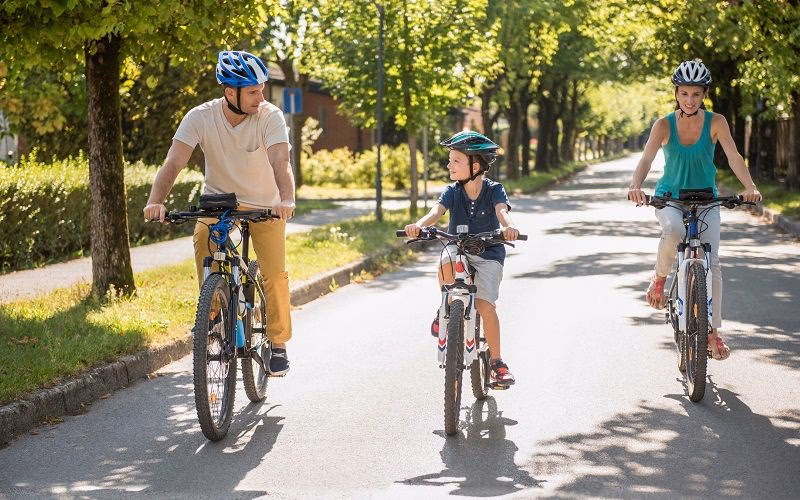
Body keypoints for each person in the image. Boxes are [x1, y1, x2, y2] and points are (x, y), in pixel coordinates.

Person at [143, 50, 296, 375]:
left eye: (261, 90)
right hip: (219, 203)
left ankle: (278, 343)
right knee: (203, 238)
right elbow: (174, 162)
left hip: (266, 205)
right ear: (230, 92)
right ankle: (212, 315)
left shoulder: (270, 116)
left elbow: (280, 161)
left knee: (274, 273)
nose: (261, 97)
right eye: (253, 92)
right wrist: (155, 201)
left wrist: (286, 199)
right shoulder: (200, 117)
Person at [627, 59, 762, 361]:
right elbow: (646, 158)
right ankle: (660, 278)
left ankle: (712, 332)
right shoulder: (663, 125)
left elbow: (733, 156)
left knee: (712, 263)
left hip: (706, 199)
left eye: (696, 94)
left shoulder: (716, 122)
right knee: (674, 230)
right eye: (684, 93)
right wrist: (636, 185)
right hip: (671, 198)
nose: (690, 100)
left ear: (704, 95)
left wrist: (750, 186)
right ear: (676, 93)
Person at [404, 131, 520, 387]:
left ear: (475, 166)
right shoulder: (452, 192)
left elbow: (502, 212)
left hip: (489, 252)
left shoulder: (494, 190)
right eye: (450, 160)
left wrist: (509, 226)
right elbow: (436, 212)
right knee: (446, 258)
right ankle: (445, 307)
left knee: (485, 305)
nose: (449, 165)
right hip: (459, 247)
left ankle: (497, 363)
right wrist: (419, 225)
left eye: (456, 160)